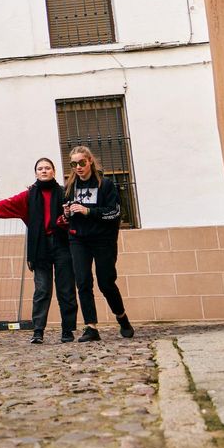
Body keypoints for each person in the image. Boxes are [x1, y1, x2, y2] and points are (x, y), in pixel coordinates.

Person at [0, 158, 78, 344]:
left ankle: (67, 330)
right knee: (41, 289)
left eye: (48, 168)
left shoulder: (65, 193)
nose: (44, 171)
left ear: (54, 171)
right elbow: (6, 205)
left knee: (66, 289)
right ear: (36, 173)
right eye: (40, 168)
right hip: (40, 246)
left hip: (62, 244)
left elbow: (76, 218)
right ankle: (38, 331)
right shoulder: (29, 195)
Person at [64, 146, 135, 342]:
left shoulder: (105, 185)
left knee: (106, 282)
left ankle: (122, 318)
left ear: (90, 162)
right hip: (78, 239)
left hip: (103, 240)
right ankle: (91, 327)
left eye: (81, 163)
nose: (78, 167)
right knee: (83, 281)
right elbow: (67, 213)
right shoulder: (71, 186)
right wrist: (67, 213)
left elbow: (114, 213)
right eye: (73, 164)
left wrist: (88, 211)